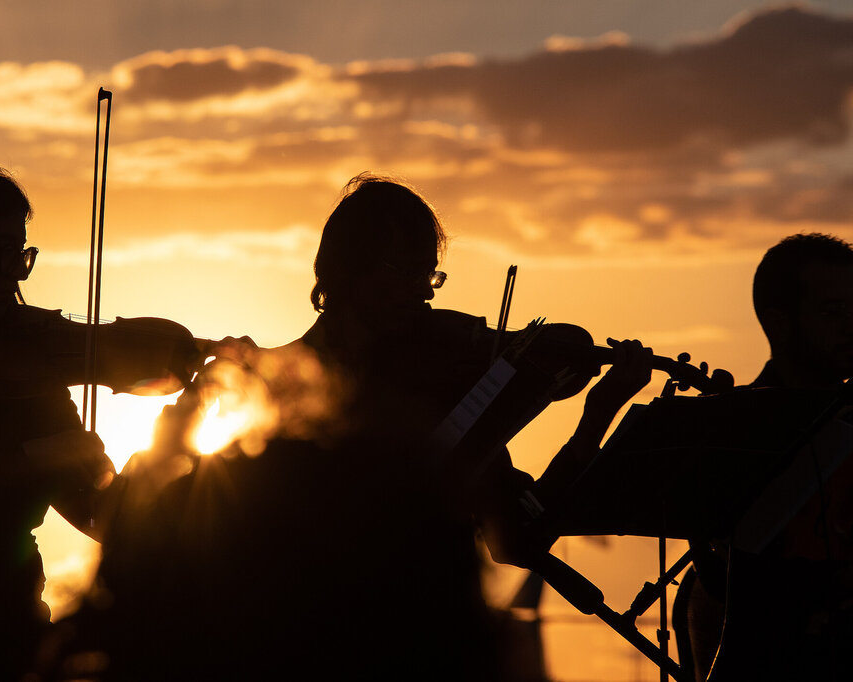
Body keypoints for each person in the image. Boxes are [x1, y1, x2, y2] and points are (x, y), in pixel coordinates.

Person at [86, 173, 653, 680]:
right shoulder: (264, 388)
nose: (423, 294)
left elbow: (516, 539)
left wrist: (595, 418)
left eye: (430, 276)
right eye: (406, 273)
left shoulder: (441, 394)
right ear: (347, 269)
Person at [0, 154, 199, 678]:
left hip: (5, 644)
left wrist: (173, 440)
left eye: (20, 257)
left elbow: (104, 512)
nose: (13, 276)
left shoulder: (34, 384)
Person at [675, 233, 853, 681]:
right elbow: (720, 584)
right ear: (779, 324)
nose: (851, 326)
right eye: (833, 313)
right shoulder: (732, 433)